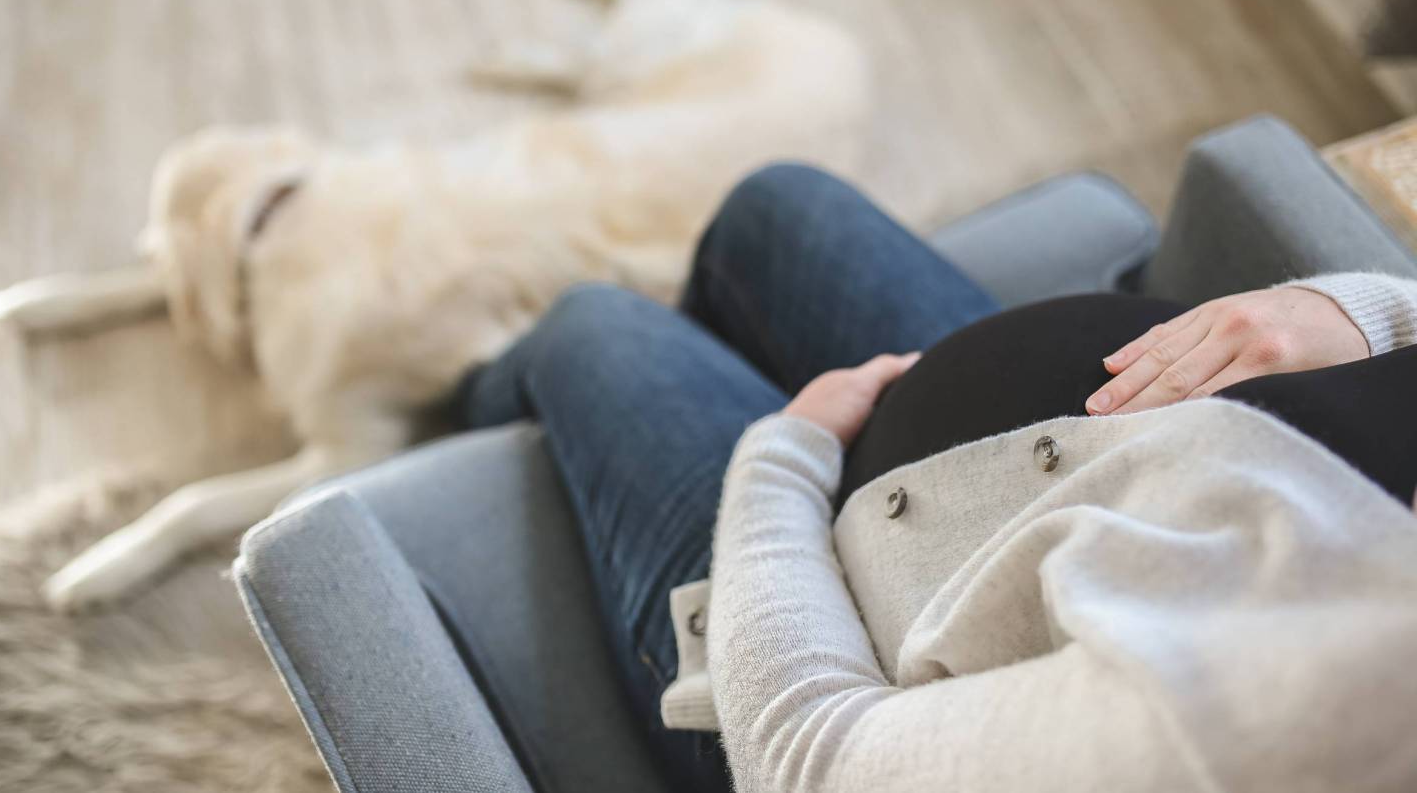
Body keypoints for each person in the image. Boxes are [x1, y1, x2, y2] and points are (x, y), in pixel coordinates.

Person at [448, 164, 1417, 792]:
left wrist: (778, 458)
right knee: (775, 206)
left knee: (592, 328)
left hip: (819, 635)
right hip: (1024, 442)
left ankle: (455, 429)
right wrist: (1361, 315)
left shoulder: (1297, 722)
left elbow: (810, 757)